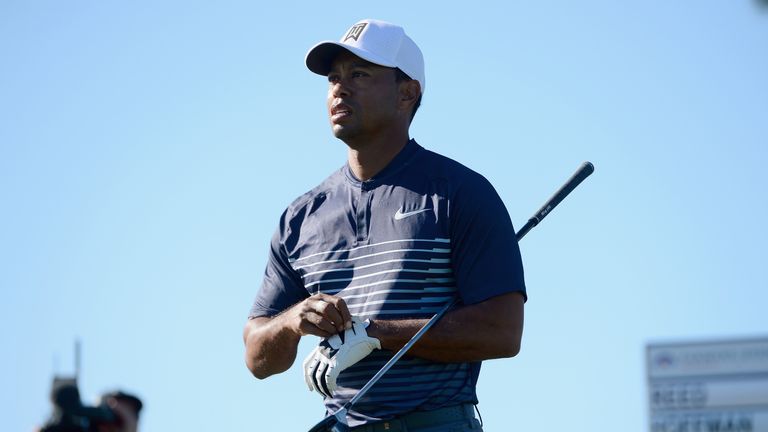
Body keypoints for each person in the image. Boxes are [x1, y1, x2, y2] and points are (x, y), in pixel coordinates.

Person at [243, 18, 526, 431]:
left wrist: (375, 333)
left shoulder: (459, 192)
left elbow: (502, 332)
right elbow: (257, 358)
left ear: (407, 92)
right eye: (334, 78)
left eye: (360, 74)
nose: (341, 88)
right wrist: (293, 320)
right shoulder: (301, 217)